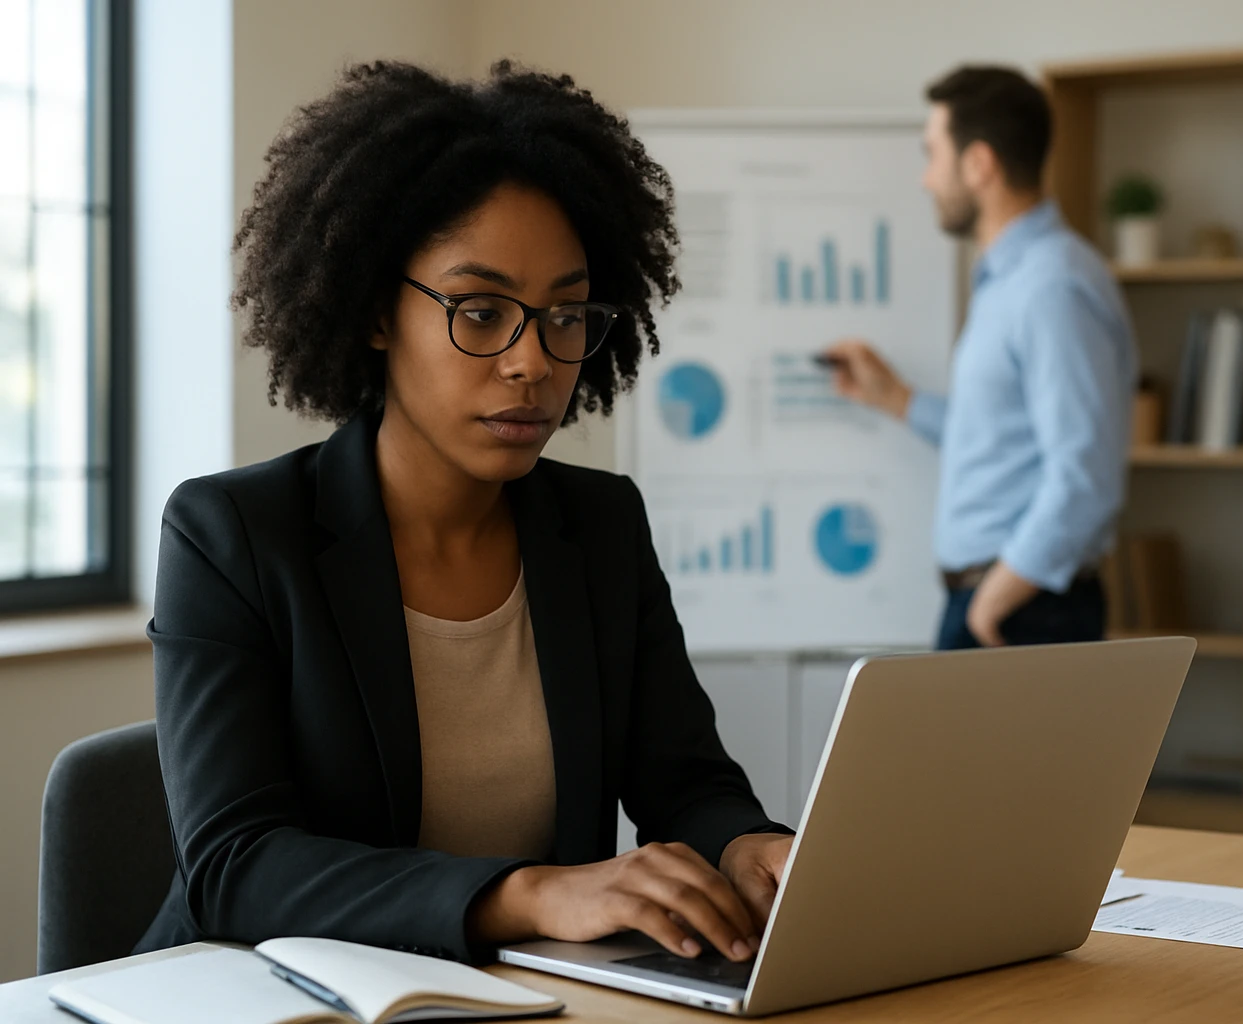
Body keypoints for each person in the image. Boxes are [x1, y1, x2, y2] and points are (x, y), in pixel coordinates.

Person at [136, 61, 792, 967]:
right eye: (481, 312)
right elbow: (233, 866)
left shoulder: (600, 525)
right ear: (376, 312)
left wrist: (747, 846)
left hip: (525, 997)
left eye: (566, 315)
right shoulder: (233, 535)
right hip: (266, 996)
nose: (533, 362)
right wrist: (528, 893)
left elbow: (686, 783)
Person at [826, 66, 1136, 651]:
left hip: (1022, 608)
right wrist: (896, 400)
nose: (926, 180)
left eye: (932, 155)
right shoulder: (1010, 282)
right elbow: (1001, 435)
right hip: (1001, 603)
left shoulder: (1053, 287)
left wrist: (993, 598)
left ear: (979, 164)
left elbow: (1086, 474)